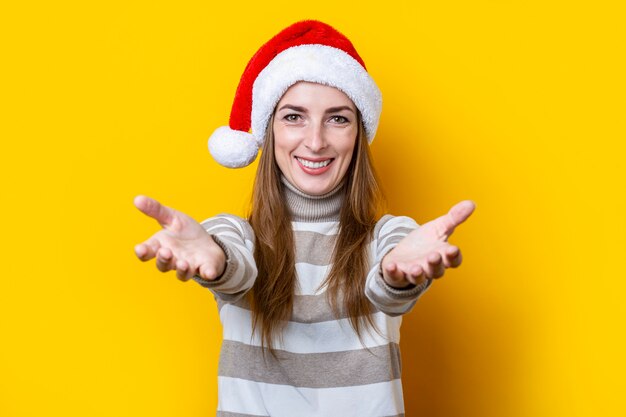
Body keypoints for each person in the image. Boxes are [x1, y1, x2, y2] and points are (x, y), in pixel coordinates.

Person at [134, 20, 475, 417]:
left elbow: (388, 283)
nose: (315, 141)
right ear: (269, 129)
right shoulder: (234, 236)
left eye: (338, 118)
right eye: (294, 117)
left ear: (358, 136)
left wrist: (396, 275)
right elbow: (233, 266)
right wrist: (216, 262)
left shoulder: (390, 237)